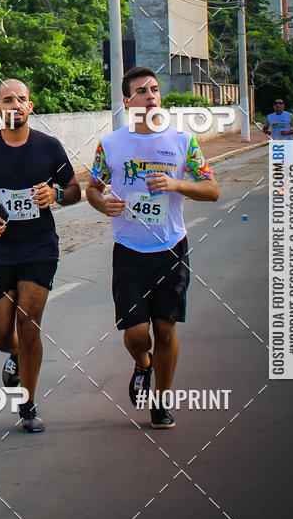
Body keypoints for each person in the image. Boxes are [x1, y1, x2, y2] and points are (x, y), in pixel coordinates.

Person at [86, 66, 219, 429]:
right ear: (128, 101)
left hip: (171, 248)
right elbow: (92, 188)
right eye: (142, 91)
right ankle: (142, 365)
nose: (151, 95)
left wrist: (177, 185)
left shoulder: (182, 142)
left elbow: (212, 189)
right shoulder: (111, 144)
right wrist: (103, 203)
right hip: (129, 249)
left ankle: (160, 402)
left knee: (165, 329)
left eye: (155, 89)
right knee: (136, 334)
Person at [0, 78, 81, 432]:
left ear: (31, 106)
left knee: (29, 324)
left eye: (21, 99)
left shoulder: (49, 147)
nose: (15, 105)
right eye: (7, 100)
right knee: (0, 334)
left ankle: (27, 405)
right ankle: (14, 354)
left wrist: (56, 195)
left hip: (39, 247)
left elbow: (75, 190)